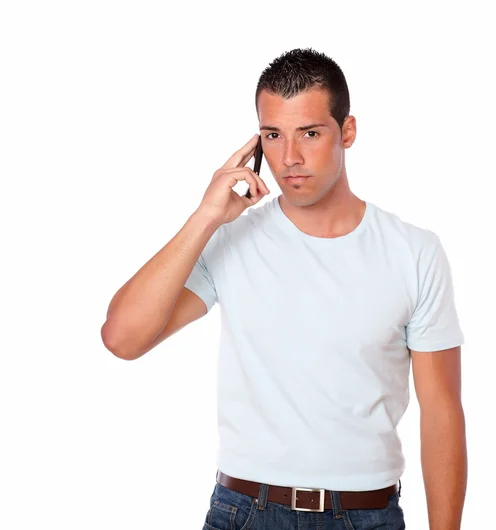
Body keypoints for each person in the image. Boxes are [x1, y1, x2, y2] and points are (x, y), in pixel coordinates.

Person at [101, 48, 467, 530]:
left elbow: (441, 410)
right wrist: (206, 216)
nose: (289, 158)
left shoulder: (413, 252)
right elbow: (122, 338)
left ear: (347, 132)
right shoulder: (231, 240)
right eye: (273, 135)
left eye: (310, 134)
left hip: (366, 515)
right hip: (244, 512)